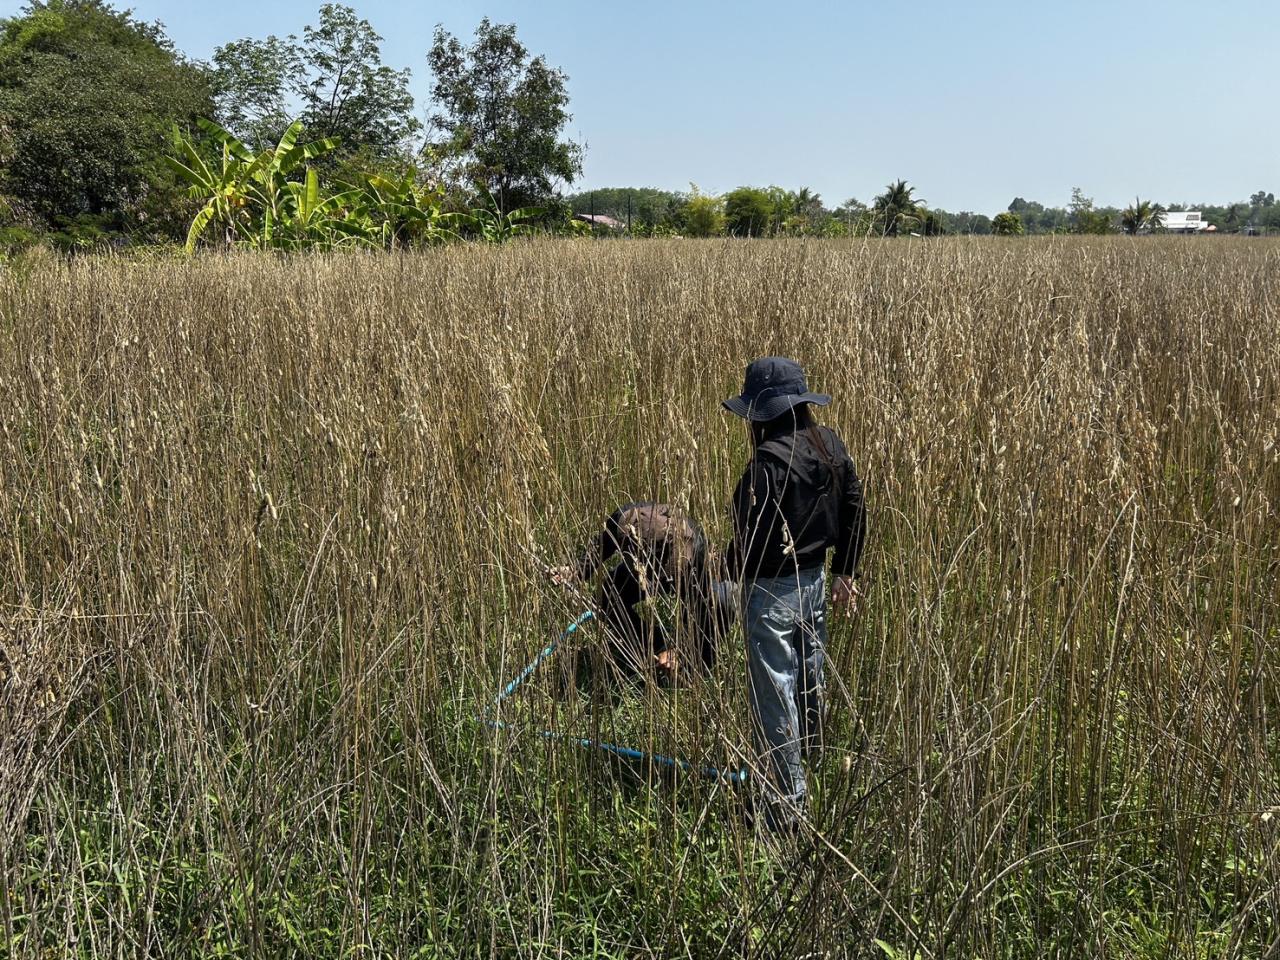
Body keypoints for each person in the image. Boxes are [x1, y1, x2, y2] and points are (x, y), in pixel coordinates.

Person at [723, 356, 867, 831]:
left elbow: (749, 540)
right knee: (810, 676)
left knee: (775, 695)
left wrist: (720, 575)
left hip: (771, 593)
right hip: (816, 583)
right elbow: (855, 505)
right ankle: (816, 762)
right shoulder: (828, 445)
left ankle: (788, 808)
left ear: (762, 414)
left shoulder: (766, 464)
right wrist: (845, 570)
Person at [550, 502, 735, 685]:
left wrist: (678, 651)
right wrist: (573, 571)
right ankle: (650, 644)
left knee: (717, 609)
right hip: (640, 568)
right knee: (607, 595)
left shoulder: (691, 555)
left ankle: (690, 673)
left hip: (686, 577)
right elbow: (600, 548)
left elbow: (698, 613)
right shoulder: (624, 520)